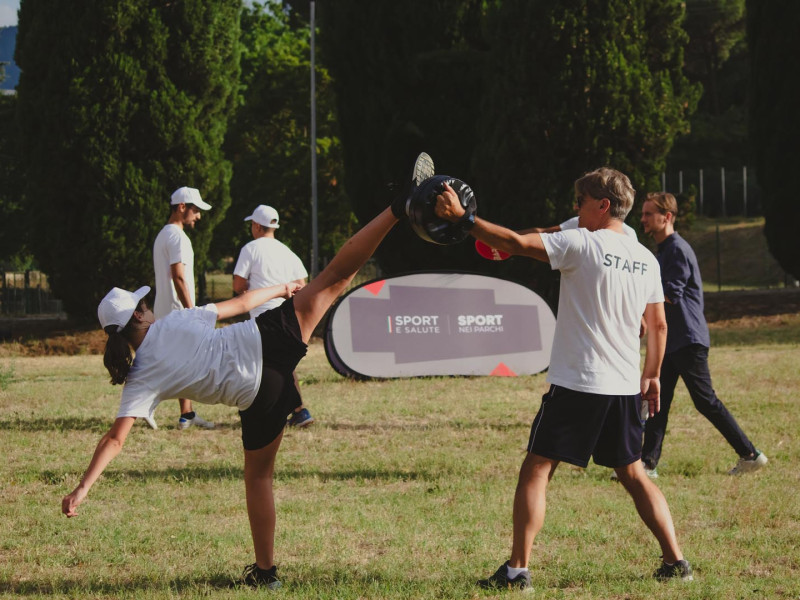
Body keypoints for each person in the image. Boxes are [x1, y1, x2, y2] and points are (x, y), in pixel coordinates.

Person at [60, 151, 433, 588]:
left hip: (259, 394)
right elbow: (237, 305)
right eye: (143, 305)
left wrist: (82, 488)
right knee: (336, 274)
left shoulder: (141, 378)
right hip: (266, 338)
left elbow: (115, 439)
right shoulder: (175, 320)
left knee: (258, 477)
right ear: (140, 316)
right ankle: (398, 208)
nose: (147, 307)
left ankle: (266, 573)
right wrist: (286, 288)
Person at [435, 167, 693, 589]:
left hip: (579, 383)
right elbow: (659, 325)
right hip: (625, 386)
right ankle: (675, 561)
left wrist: (463, 219)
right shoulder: (644, 256)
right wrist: (653, 376)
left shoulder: (581, 245)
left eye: (581, 202)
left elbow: (517, 244)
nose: (575, 209)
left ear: (603, 205)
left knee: (537, 467)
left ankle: (517, 570)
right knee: (633, 474)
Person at [639, 192, 767, 477]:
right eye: (644, 213)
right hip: (673, 340)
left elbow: (670, 294)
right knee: (658, 401)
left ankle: (750, 454)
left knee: (705, 401)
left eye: (649, 214)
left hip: (688, 339)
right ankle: (647, 463)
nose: (643, 219)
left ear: (667, 217)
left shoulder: (676, 249)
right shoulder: (664, 249)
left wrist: (637, 308)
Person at [233, 205, 313, 428]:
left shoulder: (251, 249)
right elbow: (302, 285)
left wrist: (251, 291)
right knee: (277, 365)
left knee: (270, 367)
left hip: (260, 317)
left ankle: (297, 410)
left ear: (257, 226)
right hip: (286, 317)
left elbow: (238, 284)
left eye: (252, 224)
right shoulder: (287, 251)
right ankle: (290, 411)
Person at [150, 186, 215, 431]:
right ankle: (146, 406)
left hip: (167, 310)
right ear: (182, 207)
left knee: (180, 363)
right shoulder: (177, 237)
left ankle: (186, 414)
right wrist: (192, 311)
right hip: (178, 312)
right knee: (178, 364)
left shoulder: (163, 235)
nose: (198, 216)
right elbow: (178, 276)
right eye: (195, 210)